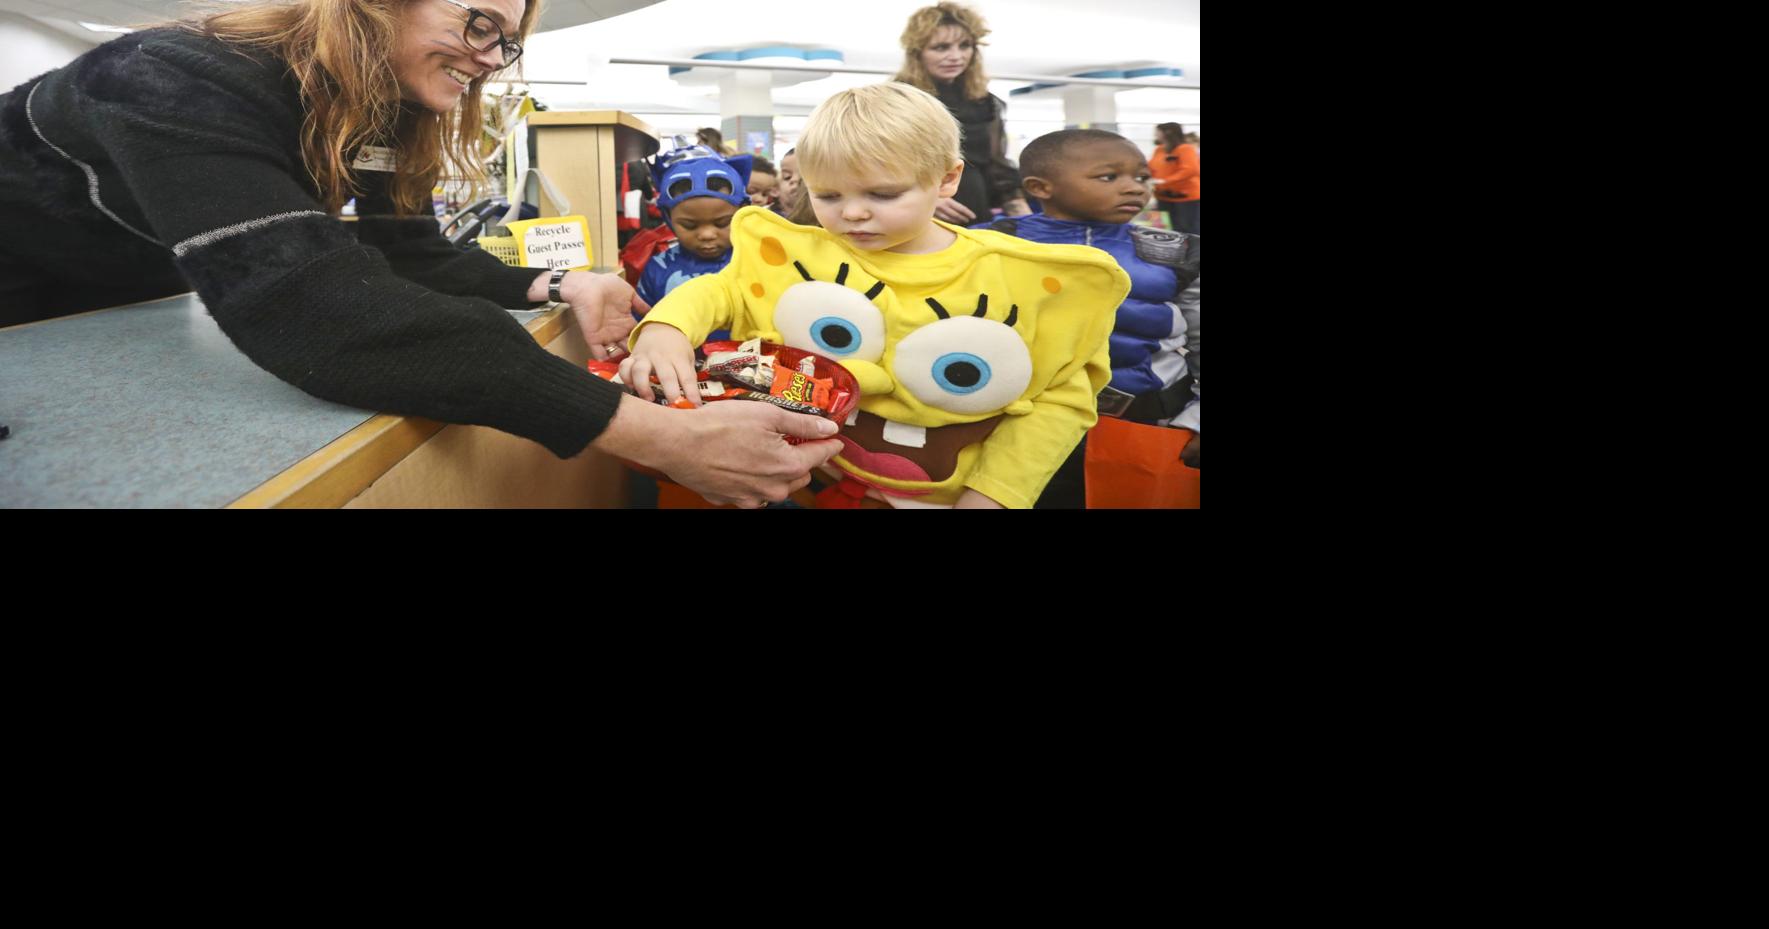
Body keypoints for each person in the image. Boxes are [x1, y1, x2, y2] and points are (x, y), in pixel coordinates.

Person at [0, 0, 837, 508]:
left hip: (122, 288)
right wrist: (653, 435)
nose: (489, 57)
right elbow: (311, 306)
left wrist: (563, 280)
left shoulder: (381, 115)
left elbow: (412, 255)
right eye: (477, 23)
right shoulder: (168, 75)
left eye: (505, 41)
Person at [619, 82, 1130, 509]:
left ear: (947, 179)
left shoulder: (1014, 277)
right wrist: (665, 330)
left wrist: (995, 493)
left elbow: (1062, 396)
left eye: (883, 195)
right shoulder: (804, 254)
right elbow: (724, 290)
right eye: (828, 195)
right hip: (821, 482)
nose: (853, 214)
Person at [982, 129, 1200, 505]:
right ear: (1041, 187)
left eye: (1141, 177)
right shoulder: (987, 245)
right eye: (1109, 177)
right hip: (1014, 422)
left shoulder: (1178, 253)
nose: (1134, 188)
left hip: (1146, 422)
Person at [893, 2, 1028, 225]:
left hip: (975, 208)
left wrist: (1025, 217)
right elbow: (883, 162)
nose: (956, 56)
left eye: (965, 46)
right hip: (918, 212)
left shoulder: (986, 102)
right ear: (918, 52)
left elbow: (998, 166)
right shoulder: (898, 98)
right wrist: (926, 199)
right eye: (941, 47)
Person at [636, 144, 750, 341]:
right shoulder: (658, 268)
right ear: (668, 218)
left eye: (722, 223)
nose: (707, 234)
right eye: (689, 225)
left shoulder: (755, 262)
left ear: (743, 211)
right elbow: (641, 322)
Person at [1150, 122, 1200, 234]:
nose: (1155, 134)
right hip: (1163, 197)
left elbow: (1190, 170)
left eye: (1158, 132)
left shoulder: (1185, 149)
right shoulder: (1159, 150)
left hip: (1185, 198)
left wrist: (1166, 181)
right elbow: (1152, 166)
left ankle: (1193, 250)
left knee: (1187, 228)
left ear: (1168, 133)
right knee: (1165, 228)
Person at [773, 148, 801, 217]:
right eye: (787, 177)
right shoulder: (765, 219)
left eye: (804, 176)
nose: (795, 179)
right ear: (775, 190)